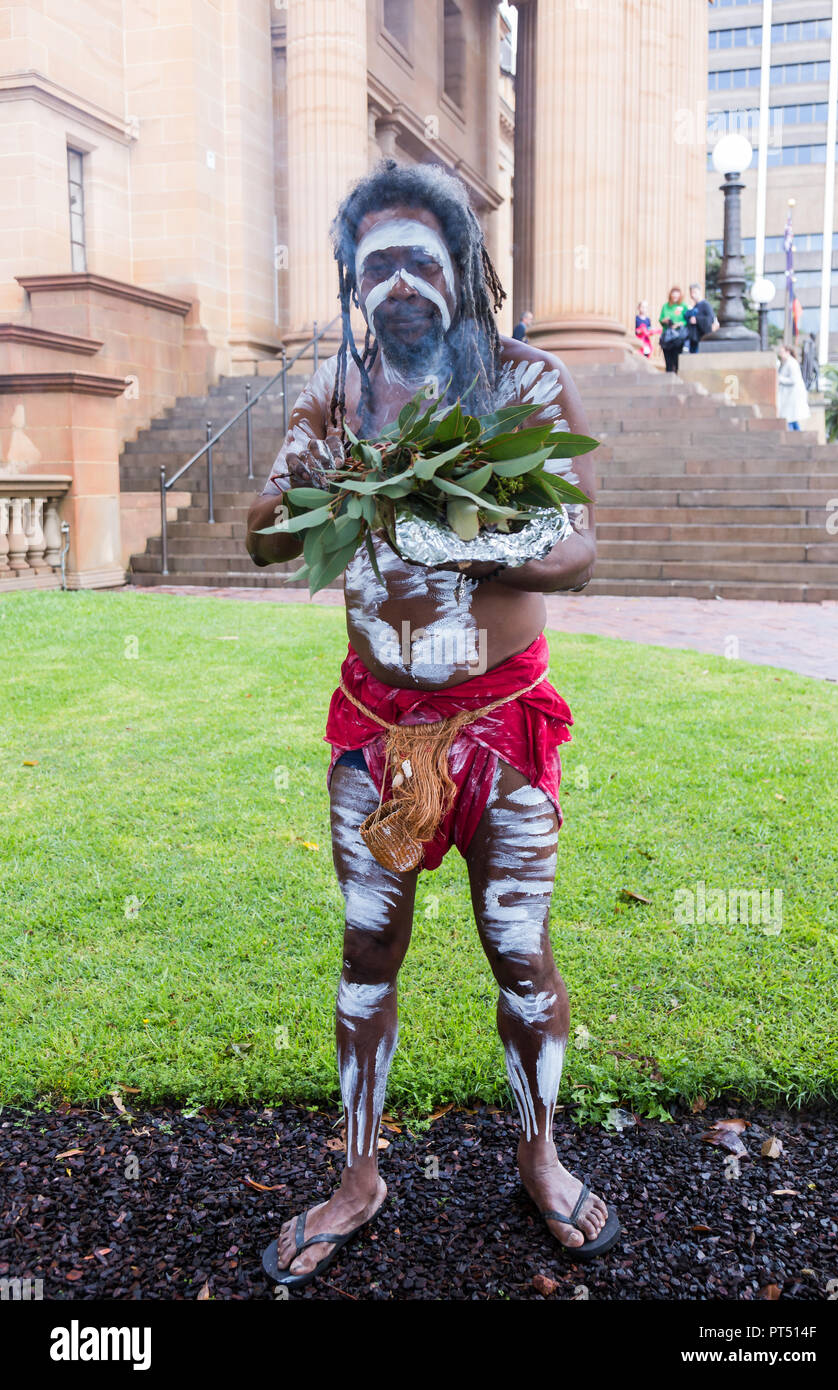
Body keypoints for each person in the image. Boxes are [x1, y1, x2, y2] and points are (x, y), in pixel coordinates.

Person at [246, 159, 620, 1290]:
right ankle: (358, 1177)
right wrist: (314, 485)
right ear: (353, 285)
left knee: (518, 950)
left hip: (500, 731)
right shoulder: (333, 398)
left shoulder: (524, 383)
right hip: (379, 736)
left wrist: (464, 542)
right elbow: (261, 539)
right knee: (369, 947)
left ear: (462, 268)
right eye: (376, 267)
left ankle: (539, 1159)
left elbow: (577, 550)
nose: (399, 283)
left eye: (421, 259)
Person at [777, 343, 811, 430]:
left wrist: (779, 378)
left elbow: (793, 380)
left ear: (787, 352)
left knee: (789, 418)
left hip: (792, 396)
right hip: (788, 396)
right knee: (791, 419)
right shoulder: (785, 363)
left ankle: (794, 438)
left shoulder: (792, 363)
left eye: (781, 352)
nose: (780, 354)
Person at [659, 286, 688, 372]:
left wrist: (679, 324)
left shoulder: (683, 306)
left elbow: (687, 321)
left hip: (678, 337)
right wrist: (665, 321)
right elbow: (661, 319)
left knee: (676, 362)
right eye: (673, 296)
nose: (675, 298)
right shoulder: (666, 306)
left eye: (677, 296)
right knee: (668, 363)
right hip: (667, 337)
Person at [685, 283, 714, 354]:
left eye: (694, 292)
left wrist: (697, 320)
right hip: (694, 339)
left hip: (702, 339)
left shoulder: (705, 305)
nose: (692, 294)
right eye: (691, 292)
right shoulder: (694, 306)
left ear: (699, 292)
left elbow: (710, 319)